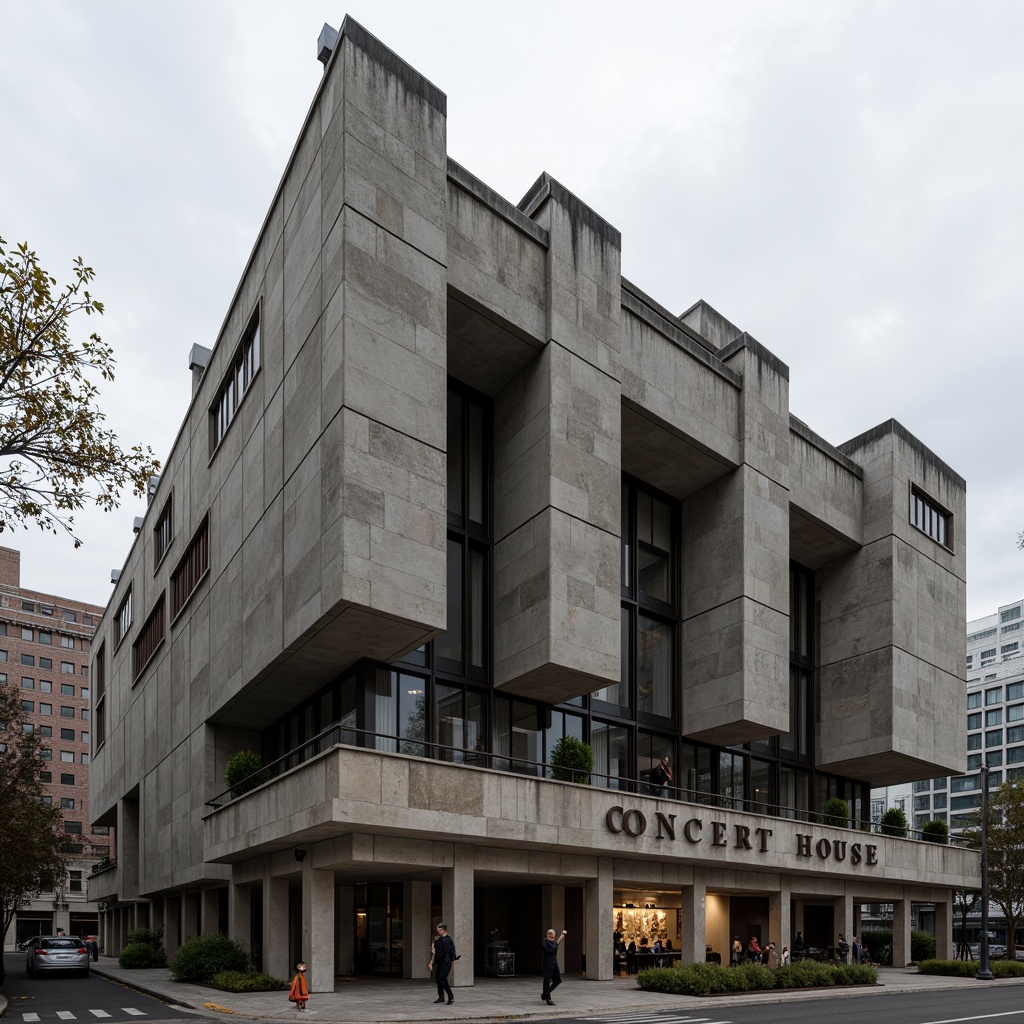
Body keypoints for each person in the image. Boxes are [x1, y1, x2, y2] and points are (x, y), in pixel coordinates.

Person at [429, 922, 457, 1005]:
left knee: (442, 978)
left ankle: (450, 996)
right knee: (438, 979)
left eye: (439, 930)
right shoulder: (438, 941)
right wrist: (431, 962)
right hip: (440, 962)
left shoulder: (448, 940)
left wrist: (453, 960)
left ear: (443, 930)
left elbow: (452, 951)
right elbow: (434, 952)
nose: (438, 932)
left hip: (446, 962)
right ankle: (441, 997)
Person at [541, 927, 566, 1006]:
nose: (550, 935)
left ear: (554, 935)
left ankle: (545, 994)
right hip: (547, 964)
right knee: (547, 981)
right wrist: (559, 939)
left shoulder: (554, 943)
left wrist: (560, 938)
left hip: (554, 963)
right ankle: (548, 998)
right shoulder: (545, 942)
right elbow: (551, 950)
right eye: (548, 933)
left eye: (551, 934)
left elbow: (555, 947)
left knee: (557, 981)